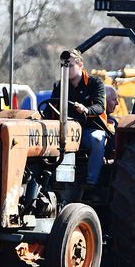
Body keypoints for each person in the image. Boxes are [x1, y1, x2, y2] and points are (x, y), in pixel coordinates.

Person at [50, 49, 107, 189]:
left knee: (98, 139)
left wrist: (86, 109)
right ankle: (50, 179)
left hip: (87, 129)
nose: (66, 69)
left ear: (80, 66)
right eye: (63, 66)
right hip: (66, 129)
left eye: (69, 65)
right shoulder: (59, 86)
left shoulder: (95, 83)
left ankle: (91, 182)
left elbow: (100, 106)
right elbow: (50, 108)